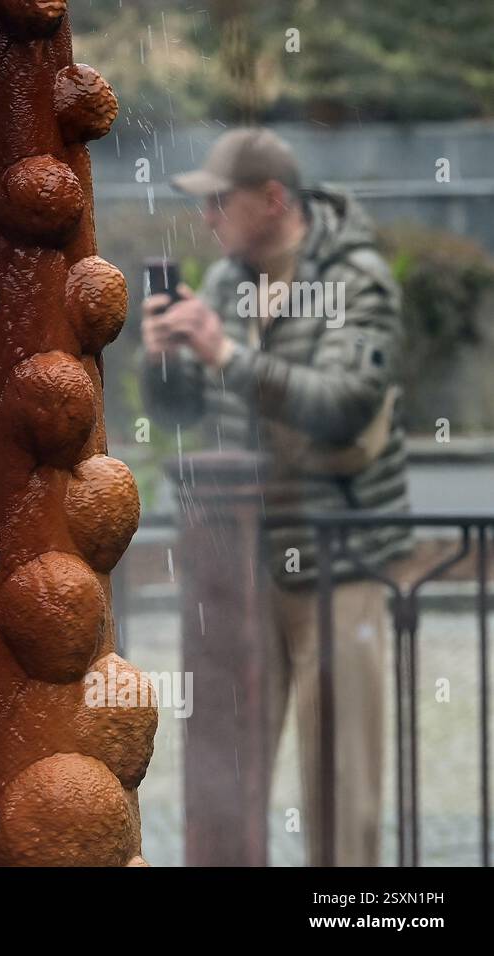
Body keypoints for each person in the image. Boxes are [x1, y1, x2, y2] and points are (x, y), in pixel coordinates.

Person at [139, 128, 411, 866]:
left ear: (273, 199)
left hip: (336, 563)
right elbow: (179, 415)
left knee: (340, 788)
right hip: (242, 568)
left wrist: (224, 353)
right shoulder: (230, 281)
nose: (209, 218)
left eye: (220, 201)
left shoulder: (356, 280)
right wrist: (166, 361)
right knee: (230, 773)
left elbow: (345, 402)